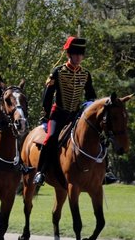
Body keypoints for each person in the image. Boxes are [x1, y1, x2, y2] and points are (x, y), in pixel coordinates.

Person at [34, 36, 96, 186]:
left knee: (97, 135)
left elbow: (91, 95)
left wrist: (89, 104)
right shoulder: (58, 72)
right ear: (69, 54)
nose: (78, 57)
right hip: (58, 114)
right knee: (51, 137)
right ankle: (41, 172)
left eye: (80, 54)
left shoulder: (85, 74)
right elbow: (47, 97)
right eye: (75, 54)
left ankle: (105, 171)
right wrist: (46, 116)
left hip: (76, 115)